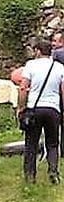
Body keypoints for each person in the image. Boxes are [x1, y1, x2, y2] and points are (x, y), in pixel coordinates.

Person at [18, 39, 64, 184]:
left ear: (38, 51)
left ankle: (30, 176)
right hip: (53, 109)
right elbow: (63, 90)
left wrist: (21, 107)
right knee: (53, 143)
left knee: (31, 143)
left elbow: (23, 88)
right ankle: (53, 171)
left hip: (34, 109)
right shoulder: (59, 67)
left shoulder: (31, 65)